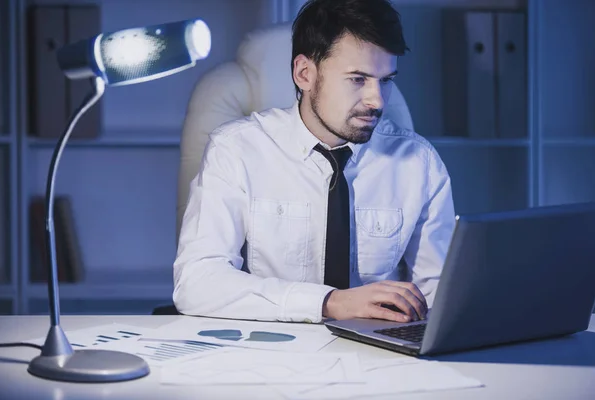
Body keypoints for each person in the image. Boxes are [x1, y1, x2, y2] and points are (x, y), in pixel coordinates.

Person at [173, 0, 455, 324]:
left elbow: (441, 295)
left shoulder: (418, 163)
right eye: (358, 79)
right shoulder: (237, 150)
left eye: (386, 79)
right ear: (304, 73)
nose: (377, 100)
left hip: (382, 354)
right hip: (274, 350)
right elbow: (195, 283)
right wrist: (328, 303)